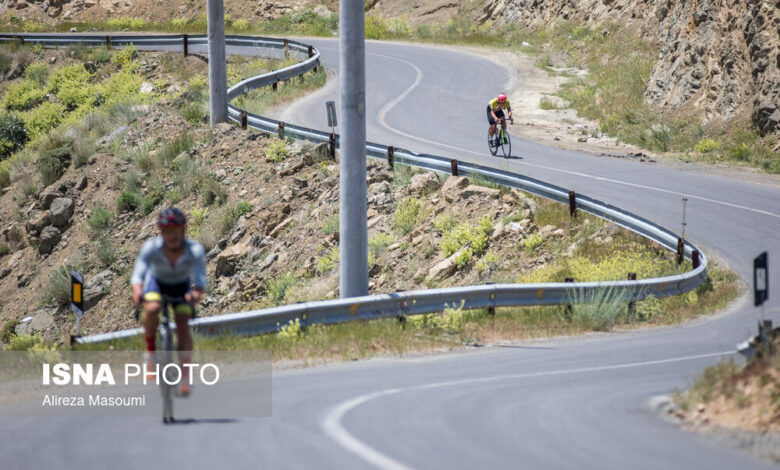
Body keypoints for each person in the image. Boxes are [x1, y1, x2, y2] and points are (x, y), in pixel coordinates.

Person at [131, 207, 206, 397]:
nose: (172, 236)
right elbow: (138, 274)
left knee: (182, 323)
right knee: (153, 307)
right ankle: (150, 353)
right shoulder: (151, 248)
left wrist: (195, 295)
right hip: (156, 284)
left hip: (181, 287)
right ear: (160, 232)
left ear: (183, 230)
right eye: (167, 231)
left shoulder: (194, 250)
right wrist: (138, 292)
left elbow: (199, 282)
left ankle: (185, 378)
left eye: (176, 231)